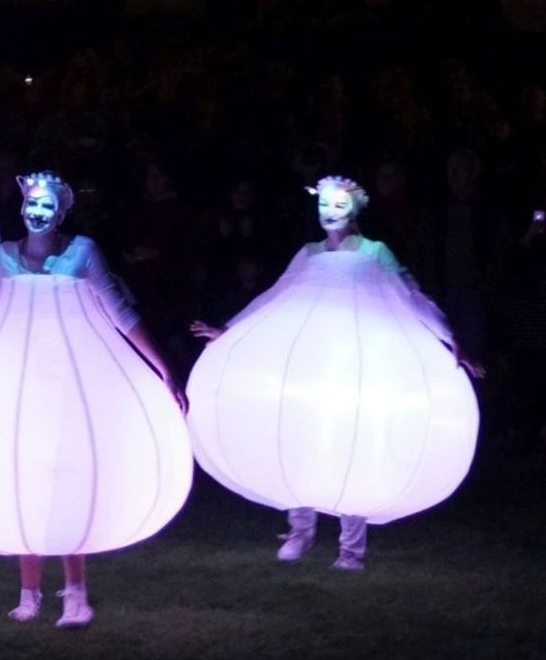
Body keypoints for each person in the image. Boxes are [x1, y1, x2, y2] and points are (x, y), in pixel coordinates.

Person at [0, 172, 190, 628]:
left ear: (61, 213)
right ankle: (30, 593)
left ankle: (76, 594)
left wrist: (162, 368)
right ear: (22, 208)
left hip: (71, 383)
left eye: (47, 206)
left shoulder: (81, 252)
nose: (37, 212)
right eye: (31, 204)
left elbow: (118, 311)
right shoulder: (4, 257)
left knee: (70, 482)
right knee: (24, 484)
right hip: (20, 384)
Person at [189, 177, 482, 570]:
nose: (330, 212)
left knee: (354, 446)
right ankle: (300, 530)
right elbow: (276, 292)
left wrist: (450, 337)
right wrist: (229, 329)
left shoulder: (375, 252)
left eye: (339, 205)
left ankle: (351, 549)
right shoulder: (309, 253)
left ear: (354, 210)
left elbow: (411, 294)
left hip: (360, 364)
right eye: (324, 204)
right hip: (313, 362)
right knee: (300, 438)